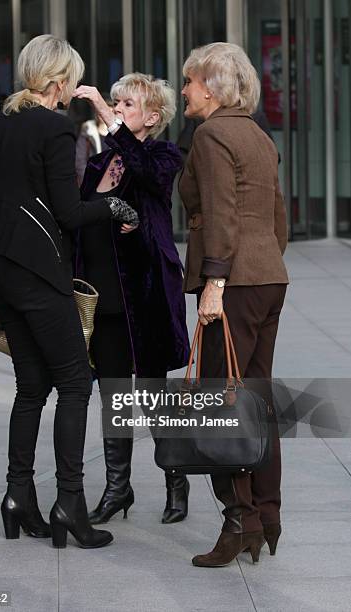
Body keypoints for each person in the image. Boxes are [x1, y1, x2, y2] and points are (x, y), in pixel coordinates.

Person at [0, 34, 138, 550]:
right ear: (57, 82)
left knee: (32, 386)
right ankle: (69, 504)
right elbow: (71, 214)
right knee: (76, 382)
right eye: (72, 80)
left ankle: (18, 497)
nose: (74, 89)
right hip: (35, 271)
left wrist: (6, 206)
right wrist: (116, 207)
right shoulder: (55, 127)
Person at [179, 42, 288, 567]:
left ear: (212, 87)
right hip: (268, 279)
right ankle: (267, 515)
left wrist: (215, 282)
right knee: (258, 399)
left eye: (189, 81)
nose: (183, 91)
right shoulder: (258, 136)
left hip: (235, 283)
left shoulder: (212, 134)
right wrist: (260, 262)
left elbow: (220, 212)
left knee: (223, 404)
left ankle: (239, 521)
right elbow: (277, 217)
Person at [73, 73, 190, 525]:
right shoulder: (103, 164)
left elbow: (147, 177)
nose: (117, 108)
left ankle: (175, 481)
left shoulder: (162, 154)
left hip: (145, 296)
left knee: (153, 396)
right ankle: (118, 488)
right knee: (114, 398)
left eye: (127, 103)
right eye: (115, 102)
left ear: (152, 117)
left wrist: (104, 115)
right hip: (102, 296)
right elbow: (82, 216)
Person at [75, 100, 112, 185]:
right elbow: (79, 161)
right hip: (90, 183)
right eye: (101, 111)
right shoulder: (88, 130)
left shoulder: (118, 135)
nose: (104, 115)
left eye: (108, 111)